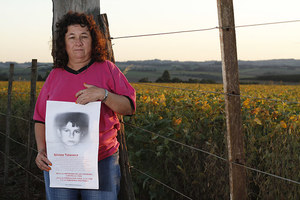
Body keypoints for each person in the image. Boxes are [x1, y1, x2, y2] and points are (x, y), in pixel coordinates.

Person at [33, 11, 136, 200]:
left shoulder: (107, 69)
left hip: (101, 161)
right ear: (64, 43)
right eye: (72, 37)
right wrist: (40, 150)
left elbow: (128, 107)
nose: (78, 42)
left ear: (93, 41)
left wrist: (103, 94)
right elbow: (40, 119)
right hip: (60, 162)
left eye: (84, 36)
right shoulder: (55, 75)